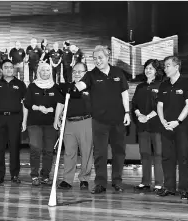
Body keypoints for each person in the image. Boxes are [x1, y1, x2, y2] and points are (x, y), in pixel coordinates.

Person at [71, 45, 131, 194]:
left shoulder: (118, 73)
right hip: (99, 121)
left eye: (100, 58)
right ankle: (100, 183)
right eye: (95, 58)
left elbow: (124, 93)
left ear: (107, 57)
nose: (97, 61)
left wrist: (127, 112)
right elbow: (81, 84)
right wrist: (72, 88)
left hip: (118, 119)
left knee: (119, 152)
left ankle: (117, 181)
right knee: (100, 153)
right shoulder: (91, 75)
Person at [156, 56, 188, 199]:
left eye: (168, 66)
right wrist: (163, 121)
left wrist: (177, 121)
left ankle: (185, 189)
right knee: (167, 157)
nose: (165, 69)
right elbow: (159, 105)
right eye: (165, 66)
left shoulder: (186, 83)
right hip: (166, 127)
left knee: (183, 157)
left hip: (182, 127)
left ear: (176, 66)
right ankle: (169, 187)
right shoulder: (163, 85)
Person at [0, 59, 27, 185]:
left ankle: (15, 175)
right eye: (6, 67)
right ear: (1, 70)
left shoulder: (20, 84)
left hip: (15, 119)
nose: (9, 69)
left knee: (15, 148)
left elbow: (25, 104)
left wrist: (24, 121)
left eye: (11, 67)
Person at [23, 62, 64, 186]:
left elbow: (60, 103)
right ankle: (35, 176)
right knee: (35, 149)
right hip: (34, 123)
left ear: (50, 72)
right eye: (42, 70)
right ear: (38, 72)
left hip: (50, 124)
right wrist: (38, 107)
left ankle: (45, 176)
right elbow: (27, 103)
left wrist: (55, 115)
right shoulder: (32, 86)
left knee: (48, 151)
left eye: (47, 70)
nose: (45, 72)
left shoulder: (56, 87)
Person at [55, 62, 93, 190]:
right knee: (69, 152)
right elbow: (60, 104)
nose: (77, 73)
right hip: (69, 123)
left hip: (86, 122)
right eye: (74, 71)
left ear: (86, 73)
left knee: (86, 152)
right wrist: (57, 119)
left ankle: (84, 179)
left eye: (80, 71)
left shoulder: (90, 87)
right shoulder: (68, 87)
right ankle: (67, 180)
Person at [131, 59, 164, 192]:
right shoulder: (140, 86)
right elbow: (134, 104)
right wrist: (139, 115)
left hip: (156, 125)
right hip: (142, 126)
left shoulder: (162, 85)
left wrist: (148, 116)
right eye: (146, 68)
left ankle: (159, 183)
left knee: (158, 154)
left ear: (156, 71)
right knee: (144, 153)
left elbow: (162, 105)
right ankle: (145, 182)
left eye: (151, 68)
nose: (148, 70)